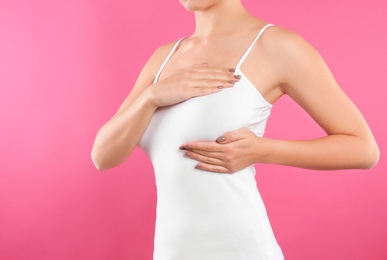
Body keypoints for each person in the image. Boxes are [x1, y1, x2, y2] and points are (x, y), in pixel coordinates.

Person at [91, 0, 380, 259]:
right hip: (171, 251)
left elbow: (363, 149)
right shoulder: (164, 57)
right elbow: (103, 156)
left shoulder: (276, 45)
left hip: (243, 249)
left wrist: (263, 150)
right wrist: (151, 97)